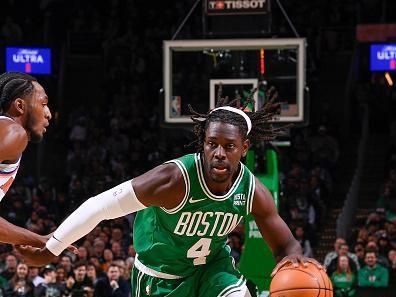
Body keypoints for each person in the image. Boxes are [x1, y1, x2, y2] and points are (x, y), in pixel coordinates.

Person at [18, 91, 321, 296]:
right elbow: (100, 206)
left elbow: (286, 246)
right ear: (202, 142)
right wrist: (51, 248)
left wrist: (297, 264)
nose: (218, 153)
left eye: (228, 146)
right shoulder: (173, 179)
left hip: (213, 270)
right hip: (159, 278)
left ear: (244, 148)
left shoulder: (252, 190)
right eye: (211, 143)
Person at [0, 72, 51, 248]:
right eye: (43, 104)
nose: (49, 114)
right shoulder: (13, 132)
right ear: (20, 106)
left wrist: (40, 240)